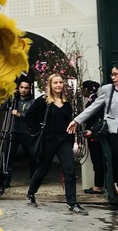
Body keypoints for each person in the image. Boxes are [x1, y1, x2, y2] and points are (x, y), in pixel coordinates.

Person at [25, 73, 87, 215]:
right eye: (55, 83)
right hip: (47, 141)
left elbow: (69, 122)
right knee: (43, 169)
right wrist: (35, 131)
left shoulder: (66, 103)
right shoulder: (43, 101)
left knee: (70, 171)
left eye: (60, 82)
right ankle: (30, 193)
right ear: (50, 85)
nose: (58, 85)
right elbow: (29, 117)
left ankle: (72, 203)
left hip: (63, 141)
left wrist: (72, 136)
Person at [68, 64, 118, 198]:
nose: (113, 77)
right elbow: (93, 108)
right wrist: (77, 120)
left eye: (116, 74)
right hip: (114, 130)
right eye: (112, 74)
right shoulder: (108, 89)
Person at [0, 77, 36, 194]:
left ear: (30, 89)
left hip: (27, 133)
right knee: (8, 156)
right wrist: (10, 97)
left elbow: (33, 117)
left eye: (26, 88)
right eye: (21, 87)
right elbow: (2, 108)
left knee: (32, 156)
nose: (23, 90)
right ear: (18, 88)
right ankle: (6, 180)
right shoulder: (14, 100)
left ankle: (34, 179)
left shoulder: (33, 102)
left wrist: (20, 114)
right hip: (12, 131)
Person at [79, 80, 104, 195]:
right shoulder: (94, 99)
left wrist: (93, 131)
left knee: (97, 159)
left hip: (94, 134)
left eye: (82, 89)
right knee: (96, 159)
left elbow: (98, 118)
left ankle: (98, 186)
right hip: (93, 133)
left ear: (86, 89)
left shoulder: (94, 101)